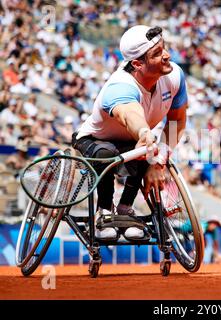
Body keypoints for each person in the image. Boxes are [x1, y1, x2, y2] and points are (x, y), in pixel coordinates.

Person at [72, 25, 188, 241]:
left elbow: (177, 121)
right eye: (157, 54)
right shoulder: (120, 86)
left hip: (133, 142)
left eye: (164, 48)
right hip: (95, 140)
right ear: (137, 63)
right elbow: (129, 114)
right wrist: (143, 131)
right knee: (108, 152)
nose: (167, 55)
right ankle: (104, 210)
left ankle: (125, 209)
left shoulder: (175, 76)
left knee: (148, 150)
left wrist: (158, 161)